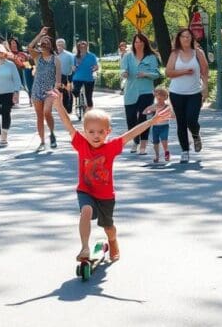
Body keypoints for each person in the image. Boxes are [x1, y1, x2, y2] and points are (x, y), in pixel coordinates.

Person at [51, 88, 172, 263]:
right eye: (91, 132)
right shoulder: (81, 144)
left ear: (108, 132)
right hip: (85, 190)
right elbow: (68, 124)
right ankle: (84, 247)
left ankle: (113, 240)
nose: (96, 136)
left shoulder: (110, 147)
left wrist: (152, 121)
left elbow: (131, 133)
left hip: (105, 196)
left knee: (108, 227)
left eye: (101, 132)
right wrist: (59, 106)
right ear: (84, 132)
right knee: (85, 211)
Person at [166, 28, 209, 163]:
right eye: (183, 36)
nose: (186, 39)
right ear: (179, 39)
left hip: (194, 93)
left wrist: (205, 87)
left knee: (191, 120)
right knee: (181, 122)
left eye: (188, 36)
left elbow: (205, 70)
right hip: (176, 93)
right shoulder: (175, 54)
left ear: (192, 38)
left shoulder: (198, 53)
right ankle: (185, 151)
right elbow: (168, 72)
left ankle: (195, 134)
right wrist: (184, 72)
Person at [120, 33, 161, 155]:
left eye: (140, 42)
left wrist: (146, 74)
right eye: (136, 42)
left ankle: (143, 144)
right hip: (130, 91)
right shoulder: (127, 56)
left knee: (144, 118)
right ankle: (135, 141)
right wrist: (124, 73)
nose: (138, 44)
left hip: (146, 91)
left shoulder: (151, 57)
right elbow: (122, 70)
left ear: (145, 43)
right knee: (131, 118)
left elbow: (157, 74)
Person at [28, 27, 61, 150]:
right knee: (39, 116)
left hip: (49, 90)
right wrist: (40, 35)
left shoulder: (55, 59)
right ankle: (42, 142)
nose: (44, 44)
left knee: (47, 112)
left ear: (51, 45)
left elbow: (58, 79)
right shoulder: (37, 57)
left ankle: (52, 134)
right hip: (37, 89)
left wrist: (55, 88)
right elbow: (30, 47)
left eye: (47, 42)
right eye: (42, 42)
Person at [0, 42, 23, 146]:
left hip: (8, 92)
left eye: (2, 52)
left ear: (5, 53)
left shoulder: (10, 65)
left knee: (5, 113)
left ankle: (4, 135)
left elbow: (16, 79)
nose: (0, 54)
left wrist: (16, 92)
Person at [143, 85, 175, 163]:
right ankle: (157, 156)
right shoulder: (154, 106)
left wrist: (168, 115)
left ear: (165, 97)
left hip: (165, 126)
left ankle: (166, 152)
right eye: (157, 95)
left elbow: (173, 115)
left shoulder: (167, 106)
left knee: (164, 140)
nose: (159, 97)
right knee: (155, 142)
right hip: (155, 127)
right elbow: (144, 112)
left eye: (161, 95)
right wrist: (149, 112)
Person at [71, 40, 99, 111]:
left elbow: (96, 66)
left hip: (88, 78)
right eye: (81, 47)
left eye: (84, 47)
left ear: (87, 48)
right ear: (78, 48)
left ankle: (89, 112)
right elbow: (73, 67)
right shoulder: (75, 57)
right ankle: (76, 103)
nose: (83, 49)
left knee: (89, 97)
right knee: (75, 91)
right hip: (77, 78)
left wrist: (94, 69)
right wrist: (74, 68)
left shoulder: (92, 56)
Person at [8, 37, 31, 104]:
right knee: (14, 89)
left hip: (22, 73)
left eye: (15, 43)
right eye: (12, 43)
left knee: (26, 86)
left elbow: (27, 66)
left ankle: (30, 99)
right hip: (11, 74)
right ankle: (14, 101)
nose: (14, 45)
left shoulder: (22, 54)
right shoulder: (8, 55)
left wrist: (28, 67)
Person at [56, 38, 76, 113]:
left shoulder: (70, 55)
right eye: (58, 44)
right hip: (55, 76)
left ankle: (67, 108)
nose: (59, 46)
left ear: (64, 45)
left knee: (67, 92)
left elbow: (73, 67)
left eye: (61, 44)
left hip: (66, 76)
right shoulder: (53, 55)